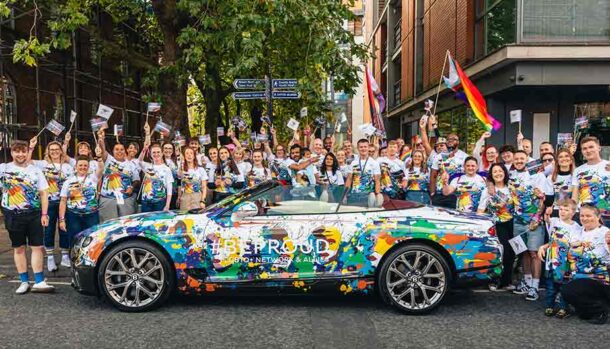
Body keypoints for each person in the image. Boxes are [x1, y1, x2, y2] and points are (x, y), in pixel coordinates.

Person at [0, 140, 54, 294]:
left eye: (23, 151)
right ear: (12, 152)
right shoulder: (3, 169)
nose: (20, 154)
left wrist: (45, 214)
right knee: (19, 248)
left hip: (34, 214)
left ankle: (39, 281)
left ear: (27, 152)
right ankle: (24, 281)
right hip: (12, 214)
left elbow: (44, 193)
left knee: (37, 247)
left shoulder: (36, 171)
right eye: (17, 151)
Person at [510, 150, 554, 301]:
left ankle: (535, 286)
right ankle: (527, 283)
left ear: (527, 160)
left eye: (522, 158)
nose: (519, 161)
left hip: (534, 221)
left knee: (534, 253)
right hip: (517, 221)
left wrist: (537, 217)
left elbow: (543, 198)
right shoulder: (512, 176)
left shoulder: (538, 175)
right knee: (523, 252)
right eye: (516, 159)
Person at [28, 139, 74, 271]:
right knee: (48, 230)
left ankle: (65, 256)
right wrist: (31, 148)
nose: (54, 152)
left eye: (56, 149)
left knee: (64, 228)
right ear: (48, 151)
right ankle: (50, 258)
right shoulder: (42, 164)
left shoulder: (67, 167)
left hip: (64, 202)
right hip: (48, 202)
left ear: (61, 151)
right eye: (51, 149)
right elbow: (27, 162)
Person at [561, 205, 610, 324]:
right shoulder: (577, 231)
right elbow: (562, 242)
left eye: (589, 216)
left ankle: (601, 310)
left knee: (569, 290)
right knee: (567, 290)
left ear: (598, 217)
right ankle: (591, 308)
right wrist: (545, 246)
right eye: (582, 215)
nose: (585, 218)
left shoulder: (605, 233)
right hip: (580, 276)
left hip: (602, 278)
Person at [536, 199, 581, 319]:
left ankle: (563, 307)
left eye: (566, 210)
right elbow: (546, 219)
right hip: (552, 260)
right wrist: (547, 212)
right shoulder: (555, 221)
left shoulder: (576, 227)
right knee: (551, 286)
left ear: (573, 212)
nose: (562, 212)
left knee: (564, 286)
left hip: (565, 261)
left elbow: (575, 243)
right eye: (561, 209)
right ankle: (549, 305)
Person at [58, 155, 104, 265]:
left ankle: (90, 263)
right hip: (73, 215)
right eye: (80, 165)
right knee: (74, 241)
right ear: (76, 166)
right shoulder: (68, 182)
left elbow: (101, 168)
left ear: (88, 167)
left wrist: (99, 158)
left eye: (85, 165)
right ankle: (75, 265)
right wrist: (61, 219)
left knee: (92, 240)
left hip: (91, 215)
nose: (83, 167)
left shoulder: (93, 178)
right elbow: (63, 201)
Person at [477, 163, 515, 291]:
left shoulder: (512, 188)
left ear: (505, 172)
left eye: (500, 171)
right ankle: (495, 280)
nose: (498, 174)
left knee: (512, 253)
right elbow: (481, 209)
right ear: (491, 176)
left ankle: (507, 281)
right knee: (501, 252)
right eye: (495, 172)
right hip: (497, 224)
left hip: (513, 224)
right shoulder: (487, 191)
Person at [97, 128, 141, 222]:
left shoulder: (131, 165)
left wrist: (131, 187)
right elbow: (102, 149)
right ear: (113, 152)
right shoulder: (108, 160)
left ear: (125, 151)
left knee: (125, 225)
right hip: (107, 199)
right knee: (107, 225)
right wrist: (101, 139)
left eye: (121, 149)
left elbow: (136, 180)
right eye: (116, 149)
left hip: (125, 199)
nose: (119, 151)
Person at [571, 136, 610, 227]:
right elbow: (575, 195)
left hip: (607, 215)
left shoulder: (608, 165)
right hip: (585, 217)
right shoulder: (578, 170)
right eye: (584, 148)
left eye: (591, 147)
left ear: (599, 148)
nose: (588, 150)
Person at [430, 133, 468, 209]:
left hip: (456, 194)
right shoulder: (439, 156)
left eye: (454, 139)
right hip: (439, 194)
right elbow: (433, 174)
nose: (451, 141)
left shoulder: (464, 157)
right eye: (448, 139)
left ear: (458, 142)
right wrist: (432, 192)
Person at [137, 142, 174, 212]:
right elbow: (139, 161)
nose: (156, 154)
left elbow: (169, 189)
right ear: (150, 154)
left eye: (158, 152)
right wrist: (144, 149)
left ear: (162, 153)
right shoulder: (147, 166)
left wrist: (167, 205)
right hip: (146, 202)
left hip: (160, 202)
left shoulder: (166, 169)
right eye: (154, 152)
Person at [344, 139, 381, 207]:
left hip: (368, 196)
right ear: (358, 148)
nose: (363, 149)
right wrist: (344, 195)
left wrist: (377, 195)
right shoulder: (353, 163)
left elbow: (377, 181)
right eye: (361, 147)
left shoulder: (374, 163)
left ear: (368, 148)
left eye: (365, 146)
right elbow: (349, 179)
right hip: (354, 195)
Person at [547, 149, 574, 218]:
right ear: (557, 161)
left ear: (571, 160)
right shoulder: (551, 177)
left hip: (574, 212)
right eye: (560, 157)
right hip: (557, 211)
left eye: (566, 156)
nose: (564, 158)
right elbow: (549, 199)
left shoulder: (576, 176)